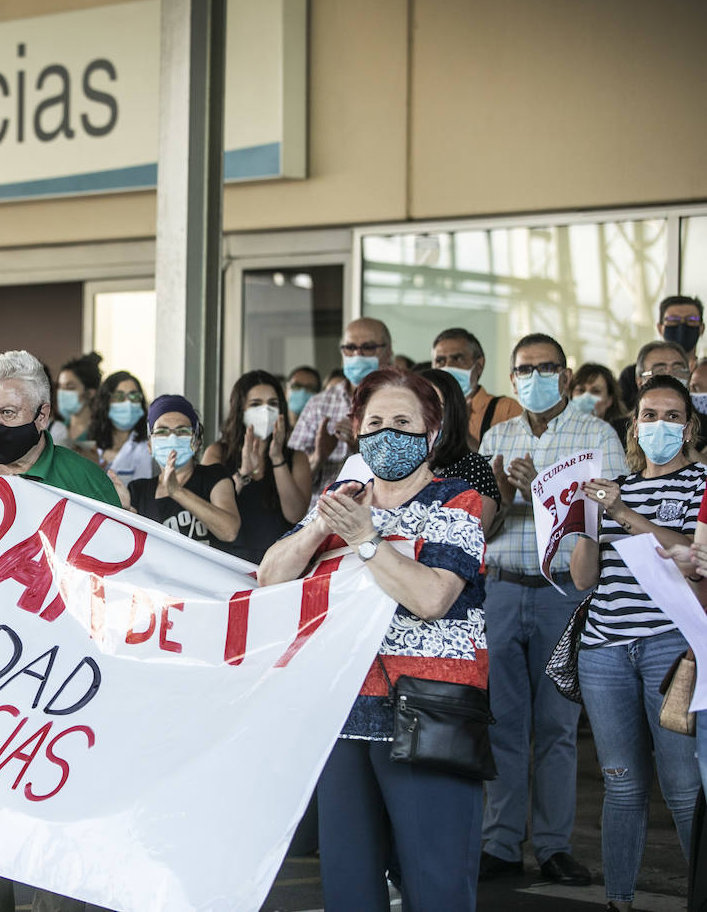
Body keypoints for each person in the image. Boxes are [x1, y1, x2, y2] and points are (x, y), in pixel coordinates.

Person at [258, 366, 487, 910]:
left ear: (431, 435)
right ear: (358, 432)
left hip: (430, 714)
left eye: (404, 422)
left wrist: (365, 537)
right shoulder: (343, 498)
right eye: (376, 421)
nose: (388, 434)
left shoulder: (458, 503)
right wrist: (321, 524)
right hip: (344, 711)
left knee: (436, 881)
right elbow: (270, 577)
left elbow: (432, 598)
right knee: (349, 882)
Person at [0, 351, 117, 912]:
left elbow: (116, 579)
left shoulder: (85, 480)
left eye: (9, 412)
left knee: (56, 827)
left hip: (60, 679)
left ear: (43, 415)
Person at [478, 333, 627, 885]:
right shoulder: (497, 435)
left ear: (565, 377)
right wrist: (500, 497)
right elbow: (478, 526)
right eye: (524, 369)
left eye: (545, 368)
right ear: (512, 378)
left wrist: (539, 493)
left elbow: (608, 518)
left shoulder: (597, 435)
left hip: (565, 589)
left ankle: (555, 846)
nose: (534, 378)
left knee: (558, 726)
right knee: (504, 725)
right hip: (502, 587)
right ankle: (500, 844)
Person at [567, 375, 702, 912]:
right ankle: (617, 902)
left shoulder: (700, 484)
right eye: (650, 415)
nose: (660, 425)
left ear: (689, 426)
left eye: (672, 416)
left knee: (684, 789)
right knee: (621, 787)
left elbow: (692, 554)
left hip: (672, 648)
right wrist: (587, 521)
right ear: (634, 423)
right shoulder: (616, 485)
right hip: (604, 649)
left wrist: (623, 513)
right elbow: (582, 579)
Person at [202, 371, 311, 562]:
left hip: (280, 564)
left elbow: (295, 515)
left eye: (272, 404)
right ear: (240, 410)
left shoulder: (296, 458)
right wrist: (243, 473)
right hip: (228, 562)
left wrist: (277, 459)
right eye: (255, 404)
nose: (265, 410)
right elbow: (209, 514)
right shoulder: (217, 453)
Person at [113, 394, 239, 546]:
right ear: (150, 446)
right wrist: (123, 511)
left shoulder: (214, 476)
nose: (172, 438)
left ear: (196, 442)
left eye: (182, 431)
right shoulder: (138, 490)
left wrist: (177, 492)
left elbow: (229, 531)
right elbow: (126, 546)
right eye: (162, 432)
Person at [289, 318, 394, 492]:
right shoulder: (320, 404)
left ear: (388, 351)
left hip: (380, 512)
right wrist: (319, 456)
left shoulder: (403, 401)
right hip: (323, 511)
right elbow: (290, 481)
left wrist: (362, 450)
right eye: (350, 348)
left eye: (368, 348)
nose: (357, 355)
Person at [418, 369, 501, 534]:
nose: (423, 415)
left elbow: (470, 538)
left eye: (434, 407)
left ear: (451, 413)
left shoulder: (473, 468)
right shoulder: (396, 467)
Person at [431, 327, 523, 450]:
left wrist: (462, 431)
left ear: (479, 365)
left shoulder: (506, 409)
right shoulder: (425, 408)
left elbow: (507, 464)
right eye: (440, 360)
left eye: (457, 358)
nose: (448, 366)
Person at [619, 295, 705, 399]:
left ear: (702, 328)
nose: (682, 326)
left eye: (691, 319)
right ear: (660, 328)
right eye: (673, 320)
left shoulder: (704, 372)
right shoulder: (632, 375)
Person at [91, 371, 151, 487]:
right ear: (105, 402)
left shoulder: (147, 448)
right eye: (119, 396)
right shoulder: (91, 445)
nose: (128, 403)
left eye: (134, 396)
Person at [569, 362, 632, 445]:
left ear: (609, 400)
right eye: (581, 390)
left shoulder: (623, 437)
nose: (586, 397)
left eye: (595, 391)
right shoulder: (559, 431)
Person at [53, 352, 102, 451]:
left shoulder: (101, 431)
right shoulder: (56, 428)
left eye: (70, 387)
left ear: (90, 393)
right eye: (60, 387)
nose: (62, 393)